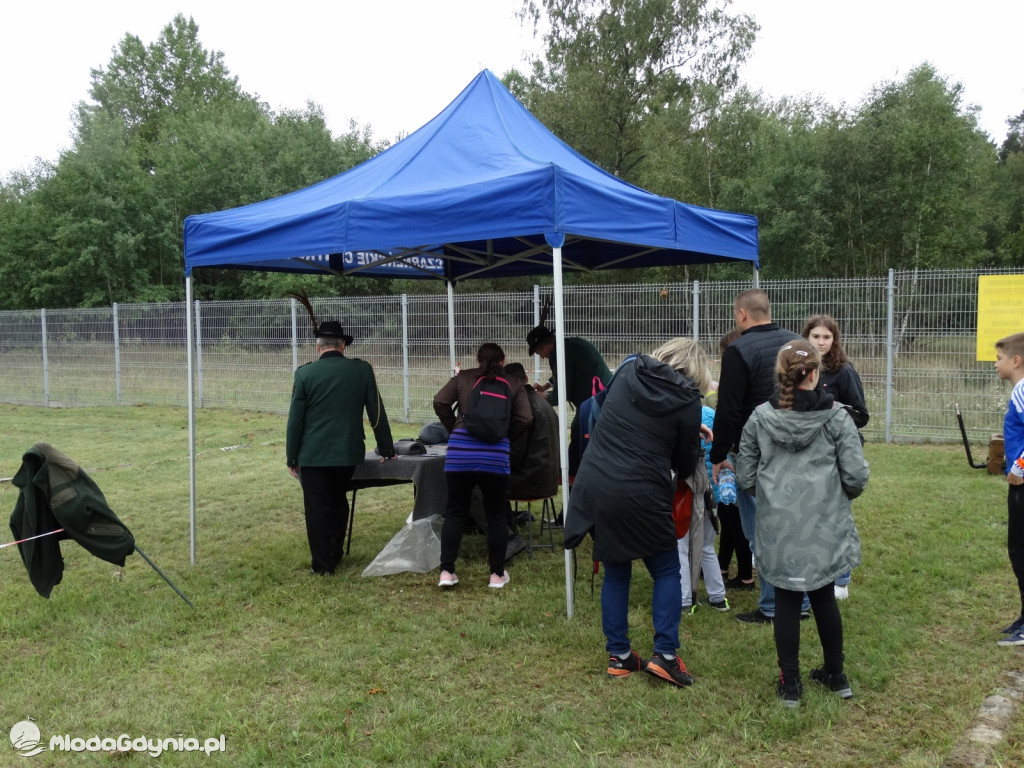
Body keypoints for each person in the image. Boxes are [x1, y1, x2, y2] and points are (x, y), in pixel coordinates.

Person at [564, 337, 711, 687]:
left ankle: (620, 656)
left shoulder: (629, 369)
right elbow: (685, 462)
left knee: (616, 573)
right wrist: (693, 437)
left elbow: (598, 409)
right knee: (665, 570)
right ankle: (666, 656)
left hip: (597, 481)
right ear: (695, 373)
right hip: (644, 491)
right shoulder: (688, 399)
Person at [737, 339, 869, 707]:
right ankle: (836, 674)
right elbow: (856, 476)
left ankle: (790, 683)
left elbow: (745, 475)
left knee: (786, 599)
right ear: (815, 373)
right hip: (824, 524)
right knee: (824, 595)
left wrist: (772, 496)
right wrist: (833, 498)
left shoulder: (760, 418)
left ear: (782, 374)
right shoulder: (837, 417)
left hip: (778, 526)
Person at [709, 289, 804, 624]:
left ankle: (772, 605)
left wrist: (719, 454)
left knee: (759, 530)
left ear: (741, 315)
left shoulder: (738, 350)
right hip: (796, 448)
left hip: (756, 452)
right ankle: (802, 601)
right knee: (791, 525)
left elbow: (729, 408)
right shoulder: (796, 343)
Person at [286, 321, 397, 575]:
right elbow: (376, 412)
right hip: (348, 452)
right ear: (343, 345)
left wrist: (291, 456)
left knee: (317, 507)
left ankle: (323, 564)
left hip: (312, 454)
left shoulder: (304, 374)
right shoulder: (361, 370)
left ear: (317, 347)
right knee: (337, 500)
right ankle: (334, 552)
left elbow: (295, 422)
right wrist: (386, 448)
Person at [433, 343, 532, 589]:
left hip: (460, 452)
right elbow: (526, 418)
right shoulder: (513, 383)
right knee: (496, 514)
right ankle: (496, 575)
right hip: (494, 453)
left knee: (455, 511)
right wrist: (504, 435)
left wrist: (453, 427)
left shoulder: (463, 377)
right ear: (504, 360)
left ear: (477, 360)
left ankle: (447, 572)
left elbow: (439, 401)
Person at [802, 314, 869, 599]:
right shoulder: (799, 367)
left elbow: (861, 415)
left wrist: (831, 408)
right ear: (806, 337)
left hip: (838, 451)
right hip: (808, 452)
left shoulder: (843, 371)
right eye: (816, 336)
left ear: (835, 339)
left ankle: (841, 579)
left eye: (826, 337)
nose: (821, 342)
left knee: (837, 514)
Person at [525, 309, 612, 479]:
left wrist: (541, 397)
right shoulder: (568, 346)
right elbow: (563, 373)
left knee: (578, 438)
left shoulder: (559, 354)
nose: (542, 357)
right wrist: (545, 385)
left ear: (545, 346)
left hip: (596, 401)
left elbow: (560, 395)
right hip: (604, 397)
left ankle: (572, 481)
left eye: (539, 353)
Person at [713, 329, 754, 592]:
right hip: (735, 450)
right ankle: (723, 566)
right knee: (729, 513)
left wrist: (719, 454)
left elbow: (727, 414)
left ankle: (746, 576)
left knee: (735, 516)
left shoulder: (738, 376)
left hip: (735, 453)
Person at [679, 403, 730, 614]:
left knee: (681, 546)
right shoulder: (711, 414)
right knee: (707, 545)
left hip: (689, 491)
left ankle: (684, 599)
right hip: (713, 492)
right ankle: (718, 598)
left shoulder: (679, 416)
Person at [995, 333, 1024, 646]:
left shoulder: (1022, 391)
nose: (995, 364)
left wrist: (1018, 469)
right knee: (1017, 551)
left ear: (1016, 361)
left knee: (1021, 551)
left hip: (1022, 484)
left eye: (1000, 358)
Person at [503, 362, 560, 515]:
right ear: (526, 378)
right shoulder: (544, 403)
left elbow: (515, 453)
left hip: (528, 480)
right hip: (549, 479)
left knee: (481, 480)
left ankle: (505, 529)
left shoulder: (521, 407)